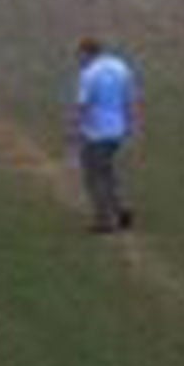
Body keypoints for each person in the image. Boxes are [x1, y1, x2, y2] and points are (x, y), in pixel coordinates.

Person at [69, 37, 138, 234]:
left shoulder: (89, 74)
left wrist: (74, 131)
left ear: (87, 53)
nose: (78, 59)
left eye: (79, 55)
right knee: (108, 172)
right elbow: (129, 97)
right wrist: (131, 125)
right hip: (117, 130)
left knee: (94, 177)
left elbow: (82, 105)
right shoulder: (120, 66)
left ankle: (104, 220)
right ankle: (121, 209)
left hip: (96, 132)